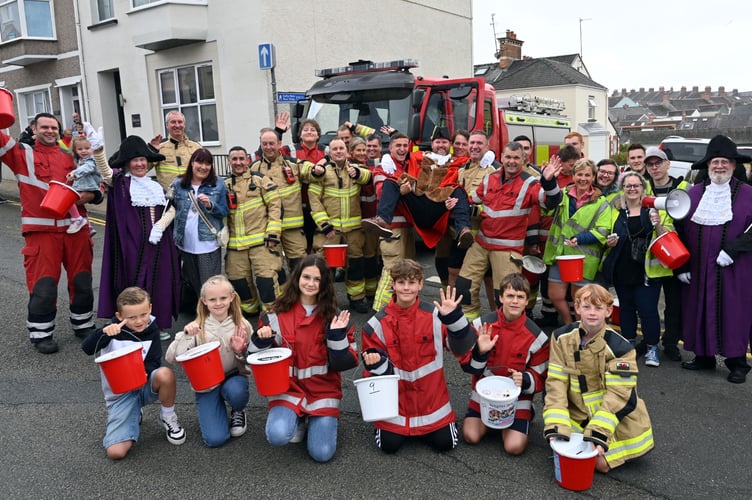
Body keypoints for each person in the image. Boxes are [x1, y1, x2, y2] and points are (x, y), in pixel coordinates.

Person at [0, 112, 96, 354]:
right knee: (43, 284)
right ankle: (41, 332)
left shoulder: (71, 155)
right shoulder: (22, 154)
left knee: (82, 280)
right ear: (34, 129)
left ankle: (83, 324)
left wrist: (93, 195)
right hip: (42, 232)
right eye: (44, 127)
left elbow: (96, 182)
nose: (50, 131)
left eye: (54, 127)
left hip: (76, 231)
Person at [247, 255, 358, 462]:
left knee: (322, 454)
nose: (311, 283)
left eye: (317, 279)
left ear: (324, 283)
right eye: (306, 277)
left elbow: (347, 363)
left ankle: (318, 421)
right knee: (278, 435)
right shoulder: (274, 315)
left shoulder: (336, 316)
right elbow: (252, 357)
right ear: (297, 278)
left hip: (323, 392)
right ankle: (296, 418)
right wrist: (260, 340)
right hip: (287, 392)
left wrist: (336, 336)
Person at [362, 260, 474, 454]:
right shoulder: (375, 325)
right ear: (393, 285)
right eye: (401, 282)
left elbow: (463, 349)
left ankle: (430, 429)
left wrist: (454, 318)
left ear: (421, 284)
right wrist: (377, 365)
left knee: (446, 444)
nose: (406, 288)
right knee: (388, 446)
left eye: (412, 282)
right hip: (396, 410)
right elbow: (372, 379)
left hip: (433, 406)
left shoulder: (436, 315)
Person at [543, 284, 654, 472]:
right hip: (577, 413)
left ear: (609, 311)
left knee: (600, 465)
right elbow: (556, 383)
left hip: (609, 416)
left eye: (598, 307)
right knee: (562, 444)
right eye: (586, 307)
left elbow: (618, 396)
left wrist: (598, 433)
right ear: (577, 308)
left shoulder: (621, 348)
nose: (592, 313)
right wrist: (557, 425)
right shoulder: (560, 337)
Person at [455, 140, 563, 321]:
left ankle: (505, 332)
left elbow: (551, 202)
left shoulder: (530, 183)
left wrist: (549, 181)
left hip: (507, 250)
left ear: (523, 160)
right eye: (508, 157)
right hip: (481, 244)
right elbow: (474, 201)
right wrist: (456, 201)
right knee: (464, 286)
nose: (511, 161)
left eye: (516, 158)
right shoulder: (490, 178)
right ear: (501, 158)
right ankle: (470, 326)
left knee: (504, 295)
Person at [677, 135, 752, 383]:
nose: (719, 166)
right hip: (699, 267)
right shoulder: (694, 194)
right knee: (699, 308)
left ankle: (737, 363)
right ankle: (703, 357)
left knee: (734, 313)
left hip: (734, 267)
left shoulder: (748, 194)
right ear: (708, 166)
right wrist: (683, 264)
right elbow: (679, 229)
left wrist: (733, 250)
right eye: (715, 162)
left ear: (733, 165)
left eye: (725, 162)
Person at [81, 287, 186, 460]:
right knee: (116, 453)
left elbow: (153, 362)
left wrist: (143, 374)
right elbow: (87, 348)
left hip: (143, 384)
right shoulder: (111, 330)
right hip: (121, 396)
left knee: (165, 374)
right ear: (120, 316)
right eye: (132, 317)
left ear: (150, 308)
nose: (139, 321)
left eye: (143, 314)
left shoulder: (151, 327)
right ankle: (133, 411)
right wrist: (103, 332)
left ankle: (168, 416)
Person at [97, 135, 180, 338]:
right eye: (135, 160)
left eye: (143, 159)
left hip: (159, 244)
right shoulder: (122, 184)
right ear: (128, 163)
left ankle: (156, 324)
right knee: (136, 285)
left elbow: (171, 209)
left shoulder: (155, 186)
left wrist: (160, 226)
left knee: (159, 283)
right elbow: (106, 173)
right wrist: (98, 151)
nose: (140, 164)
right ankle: (133, 325)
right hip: (132, 245)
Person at [461, 273, 549, 455]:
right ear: (500, 298)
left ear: (527, 301)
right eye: (510, 296)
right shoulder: (481, 325)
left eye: (520, 297)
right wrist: (480, 352)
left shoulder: (537, 337)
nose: (514, 301)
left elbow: (540, 375)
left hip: (517, 398)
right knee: (471, 436)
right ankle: (493, 421)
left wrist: (525, 379)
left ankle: (525, 413)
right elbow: (467, 366)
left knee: (513, 447)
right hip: (484, 394)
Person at [166, 276, 252, 447]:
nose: (218, 303)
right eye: (212, 299)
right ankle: (215, 405)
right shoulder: (196, 327)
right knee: (215, 439)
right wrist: (185, 336)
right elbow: (171, 358)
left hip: (233, 377)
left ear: (232, 297)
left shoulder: (242, 325)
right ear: (204, 301)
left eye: (223, 298)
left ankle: (238, 409)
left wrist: (239, 351)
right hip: (206, 383)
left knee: (236, 391)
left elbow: (251, 362)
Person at [362, 127, 474, 250]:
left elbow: (478, 160)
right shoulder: (418, 156)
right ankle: (382, 220)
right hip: (418, 201)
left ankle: (463, 230)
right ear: (432, 143)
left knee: (458, 190)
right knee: (391, 181)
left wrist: (491, 156)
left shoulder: (460, 161)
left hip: (440, 205)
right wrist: (386, 157)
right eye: (438, 142)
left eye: (444, 142)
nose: (441, 145)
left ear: (450, 145)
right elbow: (399, 151)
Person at [601, 172, 671, 367]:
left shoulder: (654, 209)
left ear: (643, 188)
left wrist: (657, 224)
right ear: (622, 189)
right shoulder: (615, 210)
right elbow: (605, 235)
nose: (632, 189)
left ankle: (651, 348)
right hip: (622, 269)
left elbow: (666, 237)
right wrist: (609, 242)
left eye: (636, 185)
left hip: (647, 271)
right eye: (628, 185)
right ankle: (628, 345)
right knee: (626, 310)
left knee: (648, 311)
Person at [543, 158, 611, 325]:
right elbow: (548, 204)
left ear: (593, 177)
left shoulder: (601, 203)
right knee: (555, 296)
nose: (583, 178)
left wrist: (580, 238)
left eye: (587, 175)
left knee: (580, 300)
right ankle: (569, 325)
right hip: (560, 254)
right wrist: (548, 180)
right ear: (573, 176)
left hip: (584, 259)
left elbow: (603, 231)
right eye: (579, 174)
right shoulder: (564, 195)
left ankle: (582, 332)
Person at [309, 138, 372, 312]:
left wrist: (358, 175)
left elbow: (367, 176)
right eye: (335, 148)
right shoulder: (322, 173)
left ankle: (357, 298)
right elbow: (314, 200)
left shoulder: (355, 169)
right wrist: (325, 225)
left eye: (341, 148)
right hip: (330, 231)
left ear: (347, 151)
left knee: (356, 265)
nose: (338, 151)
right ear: (329, 152)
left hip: (353, 230)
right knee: (325, 267)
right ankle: (326, 302)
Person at [642, 146, 690, 361]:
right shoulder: (642, 188)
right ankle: (649, 339)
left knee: (674, 304)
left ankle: (671, 342)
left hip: (676, 255)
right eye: (650, 164)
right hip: (649, 258)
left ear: (667, 164)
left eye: (658, 163)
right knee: (648, 304)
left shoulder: (684, 188)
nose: (654, 167)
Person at [224, 145, 283, 314]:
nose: (238, 162)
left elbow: (275, 206)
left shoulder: (260, 180)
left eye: (241, 159)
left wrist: (273, 233)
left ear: (248, 160)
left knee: (267, 283)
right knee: (239, 283)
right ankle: (251, 313)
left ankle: (273, 315)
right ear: (229, 162)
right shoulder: (223, 185)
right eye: (234, 159)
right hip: (235, 247)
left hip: (262, 244)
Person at [249, 129, 319, 272]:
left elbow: (310, 170)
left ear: (279, 143)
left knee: (299, 267)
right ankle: (281, 295)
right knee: (274, 268)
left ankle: (299, 295)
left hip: (293, 229)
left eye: (272, 143)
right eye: (265, 144)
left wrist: (317, 170)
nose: (268, 147)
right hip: (268, 229)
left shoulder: (292, 164)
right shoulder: (253, 169)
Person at [170, 148, 229, 301]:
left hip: (207, 242)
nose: (203, 167)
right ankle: (202, 315)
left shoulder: (218, 184)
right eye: (199, 162)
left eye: (208, 163)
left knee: (210, 285)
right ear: (192, 163)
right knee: (195, 285)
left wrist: (210, 205)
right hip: (185, 243)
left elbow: (224, 211)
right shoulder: (178, 183)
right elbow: (170, 209)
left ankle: (214, 317)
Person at [355, 136, 382, 303]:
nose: (366, 151)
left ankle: (372, 293)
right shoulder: (350, 167)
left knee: (373, 258)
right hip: (355, 221)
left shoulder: (380, 164)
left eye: (371, 147)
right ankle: (360, 295)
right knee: (359, 259)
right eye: (364, 148)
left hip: (374, 219)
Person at [148, 110, 202, 190]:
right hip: (168, 199)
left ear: (184, 125)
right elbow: (143, 168)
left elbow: (206, 171)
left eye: (180, 122)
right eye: (173, 122)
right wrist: (151, 151)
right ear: (167, 125)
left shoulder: (196, 147)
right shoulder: (160, 148)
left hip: (191, 197)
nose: (177, 125)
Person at [65, 136, 103, 234]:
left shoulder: (90, 160)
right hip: (83, 186)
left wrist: (74, 173)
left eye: (87, 148)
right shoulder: (80, 160)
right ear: (75, 150)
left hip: (88, 187)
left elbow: (87, 168)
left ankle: (77, 219)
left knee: (68, 201)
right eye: (80, 149)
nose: (84, 151)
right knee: (79, 206)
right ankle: (88, 226)